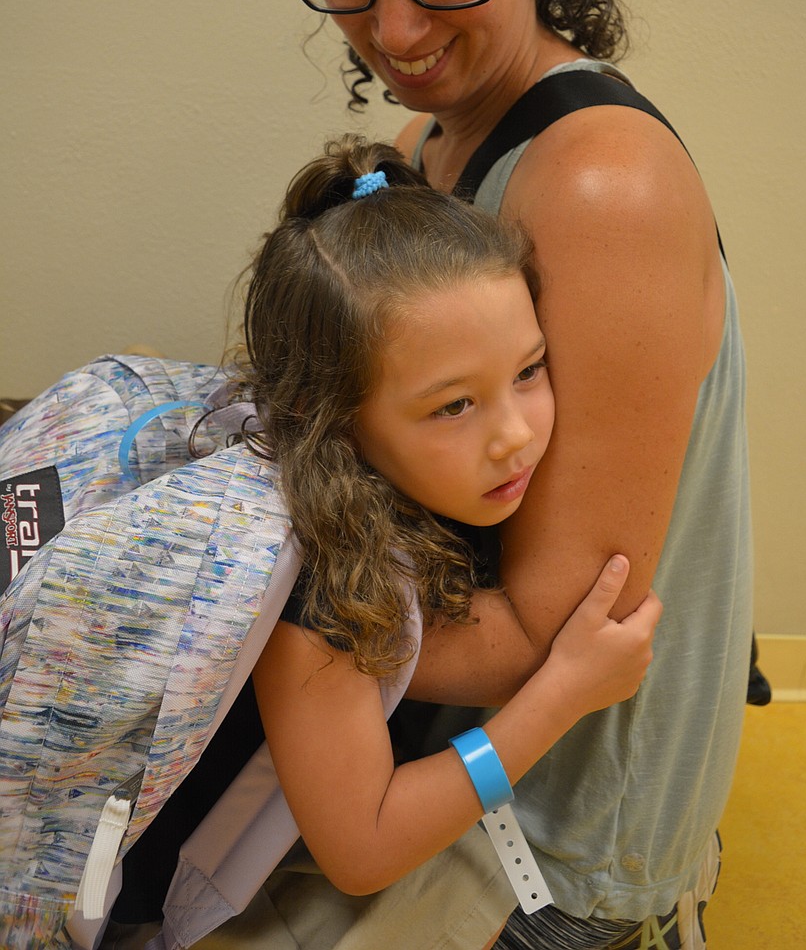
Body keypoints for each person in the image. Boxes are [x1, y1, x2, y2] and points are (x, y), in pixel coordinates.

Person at [256, 0, 754, 947]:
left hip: (557, 851)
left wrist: (250, 615)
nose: (393, 28)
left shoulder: (599, 186)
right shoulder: (427, 147)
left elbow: (550, 634)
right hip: (438, 759)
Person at [102, 136, 659, 949]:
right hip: (133, 902)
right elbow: (362, 847)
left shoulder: (366, 479)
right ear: (337, 421)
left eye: (530, 371)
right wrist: (561, 694)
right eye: (453, 407)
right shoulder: (313, 582)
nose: (515, 436)